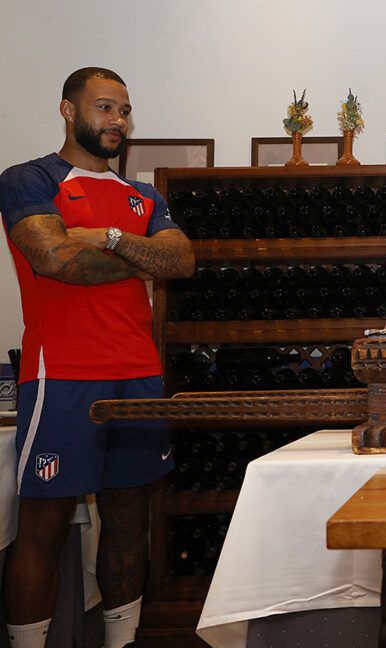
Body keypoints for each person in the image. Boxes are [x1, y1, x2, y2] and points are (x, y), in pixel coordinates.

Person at [0, 67, 195, 648]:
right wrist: (142, 258)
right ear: (67, 110)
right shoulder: (28, 179)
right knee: (43, 526)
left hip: (138, 373)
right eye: (105, 107)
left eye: (124, 110)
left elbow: (181, 261)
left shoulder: (144, 196)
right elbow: (57, 260)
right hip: (61, 375)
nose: (117, 121)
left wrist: (108, 238)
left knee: (130, 522)